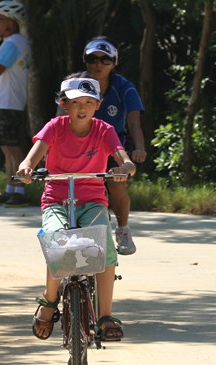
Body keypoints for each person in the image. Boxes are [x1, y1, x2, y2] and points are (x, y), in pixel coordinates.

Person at [15, 75, 136, 341]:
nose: (82, 107)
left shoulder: (104, 130)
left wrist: (125, 167)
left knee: (104, 250)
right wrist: (26, 168)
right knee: (57, 243)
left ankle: (105, 315)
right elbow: (33, 155)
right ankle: (49, 300)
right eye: (75, 102)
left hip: (93, 200)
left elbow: (122, 156)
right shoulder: (55, 127)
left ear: (98, 104)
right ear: (63, 104)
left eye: (88, 102)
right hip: (57, 200)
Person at [83, 37, 146, 255]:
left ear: (114, 63)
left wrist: (139, 147)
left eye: (104, 60)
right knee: (71, 185)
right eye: (92, 59)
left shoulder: (124, 87)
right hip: (79, 145)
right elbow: (59, 118)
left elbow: (133, 122)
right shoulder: (75, 84)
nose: (98, 64)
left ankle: (123, 230)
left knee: (117, 182)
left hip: (113, 145)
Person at [0, 1, 30, 207]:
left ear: (11, 23)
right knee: (7, 148)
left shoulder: (13, 42)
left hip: (9, 102)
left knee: (13, 147)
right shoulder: (14, 42)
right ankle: (11, 188)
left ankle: (19, 190)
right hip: (5, 101)